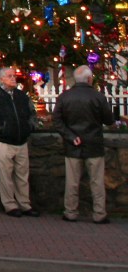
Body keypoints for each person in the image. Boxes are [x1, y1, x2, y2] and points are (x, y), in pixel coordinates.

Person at [52, 65, 115, 224]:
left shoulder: (65, 97)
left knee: (72, 182)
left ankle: (70, 211)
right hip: (94, 143)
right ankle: (99, 213)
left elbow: (57, 120)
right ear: (89, 79)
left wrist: (70, 136)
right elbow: (109, 119)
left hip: (73, 144)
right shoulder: (98, 97)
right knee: (97, 182)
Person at [0, 67, 40, 217]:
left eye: (14, 76)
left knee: (22, 174)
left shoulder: (21, 96)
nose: (13, 79)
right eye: (9, 76)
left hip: (21, 139)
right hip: (4, 140)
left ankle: (24, 203)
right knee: (5, 174)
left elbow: (32, 113)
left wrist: (30, 126)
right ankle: (10, 204)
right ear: (2, 79)